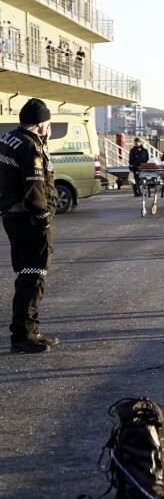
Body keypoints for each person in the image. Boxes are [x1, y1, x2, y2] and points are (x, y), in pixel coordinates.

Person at [0, 99, 59, 354]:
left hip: (12, 216)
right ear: (40, 124)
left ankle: (29, 330)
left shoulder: (8, 139)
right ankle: (24, 336)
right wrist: (43, 215)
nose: (49, 129)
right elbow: (35, 186)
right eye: (48, 124)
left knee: (26, 274)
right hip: (29, 220)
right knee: (33, 276)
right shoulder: (30, 146)